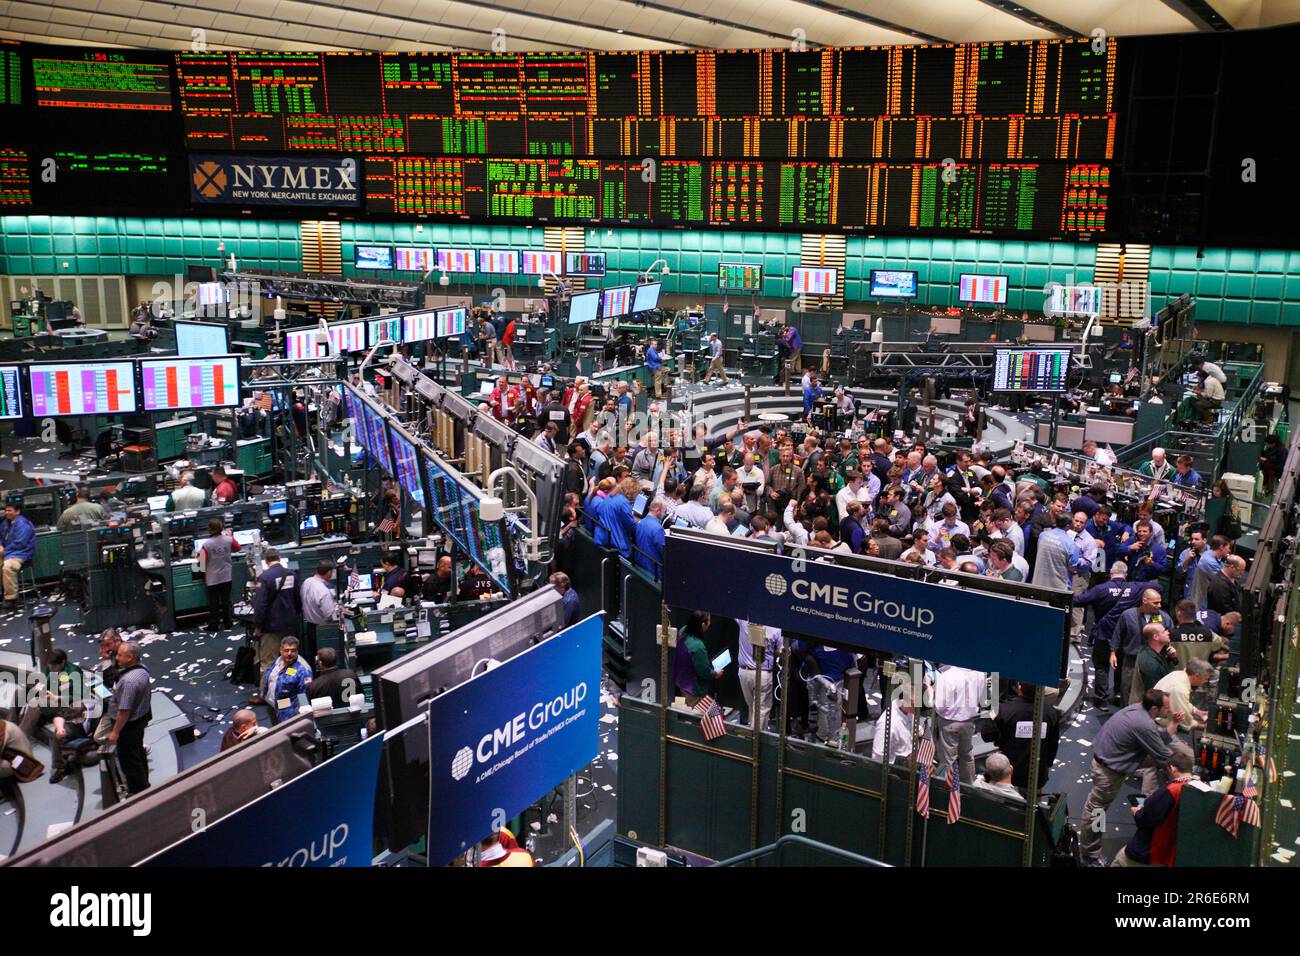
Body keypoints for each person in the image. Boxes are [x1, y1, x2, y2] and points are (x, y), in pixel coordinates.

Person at [1078, 690, 1175, 865]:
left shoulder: (1138, 709)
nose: (1169, 710)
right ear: (1155, 709)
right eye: (1167, 707)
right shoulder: (1144, 724)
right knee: (1097, 811)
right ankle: (1090, 854)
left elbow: (1156, 739)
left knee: (1097, 807)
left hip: (1107, 760)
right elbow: (1163, 756)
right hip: (1109, 773)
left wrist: (1173, 723)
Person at [1113, 748, 1196, 867]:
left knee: (1120, 862)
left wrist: (1137, 812)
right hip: (1172, 854)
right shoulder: (1199, 788)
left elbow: (1145, 819)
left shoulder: (1169, 791)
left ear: (1172, 769)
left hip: (1150, 851)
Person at [983, 680, 1060, 790]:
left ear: (1019, 688)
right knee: (1032, 803)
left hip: (1006, 773)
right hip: (1036, 773)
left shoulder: (1000, 709)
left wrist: (1002, 740)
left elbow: (986, 735)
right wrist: (1047, 764)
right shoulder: (1051, 712)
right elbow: (1053, 744)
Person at [249, 547, 300, 705]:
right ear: (279, 557)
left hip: (271, 626)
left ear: (266, 560)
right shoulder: (292, 574)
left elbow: (261, 606)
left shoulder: (264, 578)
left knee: (268, 662)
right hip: (289, 624)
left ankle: (265, 695)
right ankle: (290, 691)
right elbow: (298, 598)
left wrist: (257, 627)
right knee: (289, 658)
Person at [1110, 588, 1174, 706]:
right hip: (1132, 661)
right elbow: (1118, 634)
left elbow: (1171, 636)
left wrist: (1171, 649)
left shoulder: (1165, 618)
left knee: (1154, 692)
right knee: (1127, 691)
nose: (1159, 605)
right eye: (1155, 603)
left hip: (1155, 662)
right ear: (1145, 600)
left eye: (1160, 602)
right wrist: (1113, 652)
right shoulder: (1128, 615)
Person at [107, 640, 152, 795]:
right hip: (140, 719)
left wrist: (115, 732)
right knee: (138, 753)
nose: (117, 658)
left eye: (120, 655)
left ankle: (139, 792)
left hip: (128, 726)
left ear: (130, 658)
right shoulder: (142, 670)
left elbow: (124, 711)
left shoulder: (128, 681)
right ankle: (145, 784)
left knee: (129, 762)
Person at [934, 664, 985, 784]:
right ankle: (969, 785)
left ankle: (945, 788)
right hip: (968, 722)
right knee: (967, 756)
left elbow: (939, 706)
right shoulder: (980, 673)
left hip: (949, 722)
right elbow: (981, 698)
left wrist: (931, 692)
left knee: (947, 759)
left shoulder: (947, 675)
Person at [736, 619, 781, 732]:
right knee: (760, 710)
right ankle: (755, 742)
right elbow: (781, 651)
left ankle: (755, 735)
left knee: (754, 709)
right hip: (762, 675)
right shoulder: (776, 628)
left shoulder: (743, 620)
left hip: (744, 673)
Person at [197, 518, 241, 633]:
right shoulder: (228, 539)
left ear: (209, 529)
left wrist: (201, 574)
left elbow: (200, 561)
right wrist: (230, 535)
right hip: (226, 576)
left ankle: (214, 624)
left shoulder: (206, 544)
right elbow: (237, 548)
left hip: (212, 578)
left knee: (214, 602)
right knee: (226, 601)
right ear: (222, 527)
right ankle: (228, 622)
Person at [261, 636, 313, 723]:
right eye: (286, 650)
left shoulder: (303, 670)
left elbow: (303, 697)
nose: (289, 653)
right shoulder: (278, 660)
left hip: (288, 711)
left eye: (293, 651)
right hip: (272, 706)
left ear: (297, 651)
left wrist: (299, 713)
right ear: (280, 650)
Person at [673, 612, 720, 706]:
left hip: (680, 682)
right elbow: (704, 672)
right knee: (692, 718)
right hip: (693, 691)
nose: (710, 623)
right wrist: (716, 674)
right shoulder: (698, 647)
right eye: (709, 621)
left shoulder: (683, 630)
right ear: (703, 625)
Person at [301, 560, 340, 659]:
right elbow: (329, 614)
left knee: (315, 655)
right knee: (325, 657)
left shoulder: (307, 581)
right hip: (322, 629)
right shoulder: (323, 591)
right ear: (329, 572)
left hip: (310, 625)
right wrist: (337, 609)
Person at [0, 501, 35, 610]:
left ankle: (11, 599)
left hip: (21, 553)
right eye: (6, 510)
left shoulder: (23, 524)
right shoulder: (5, 523)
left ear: (18, 511)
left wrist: (4, 551)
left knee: (7, 567)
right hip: (7, 552)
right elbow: (0, 537)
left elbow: (20, 543)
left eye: (9, 510)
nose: (7, 513)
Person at [634, 499, 666, 579]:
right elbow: (664, 552)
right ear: (658, 510)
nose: (665, 515)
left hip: (640, 566)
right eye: (664, 512)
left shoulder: (641, 522)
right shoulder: (658, 529)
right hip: (653, 571)